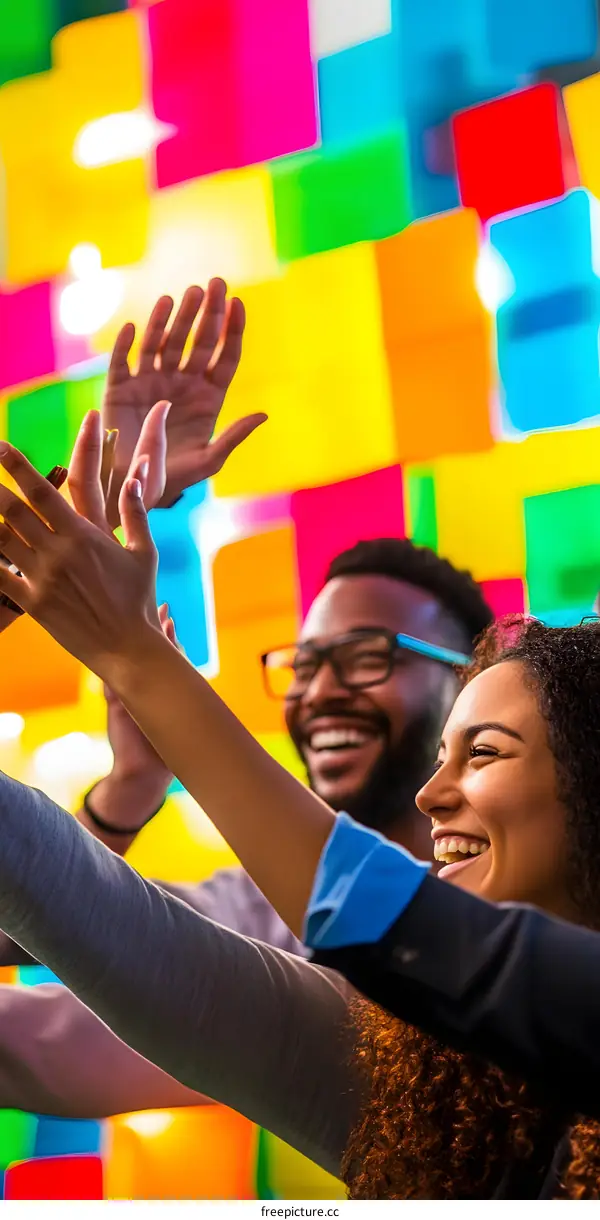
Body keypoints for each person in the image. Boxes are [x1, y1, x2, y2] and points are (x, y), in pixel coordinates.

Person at [0, 443, 599, 1195]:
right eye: (303, 664)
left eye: (483, 751)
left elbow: (403, 930)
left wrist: (131, 651)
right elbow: (54, 890)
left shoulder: (438, 966)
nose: (431, 793)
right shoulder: (412, 1073)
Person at [0, 481, 492, 1110]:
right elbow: (40, 937)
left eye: (366, 657)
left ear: (473, 684)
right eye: (304, 666)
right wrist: (131, 788)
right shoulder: (252, 911)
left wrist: (139, 661)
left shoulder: (537, 898)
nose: (318, 694)